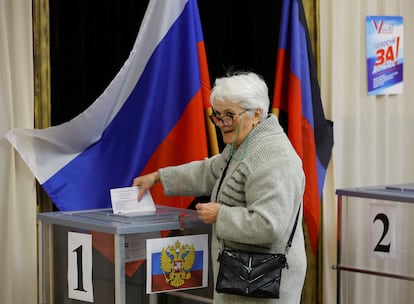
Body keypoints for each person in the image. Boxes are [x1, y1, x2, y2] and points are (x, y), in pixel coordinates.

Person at [132, 71, 306, 304]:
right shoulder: (246, 144)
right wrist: (159, 177)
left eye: (230, 116)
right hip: (243, 279)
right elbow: (212, 170)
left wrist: (220, 215)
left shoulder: (274, 159)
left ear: (256, 114)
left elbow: (269, 225)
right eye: (218, 115)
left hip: (264, 288)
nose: (222, 124)